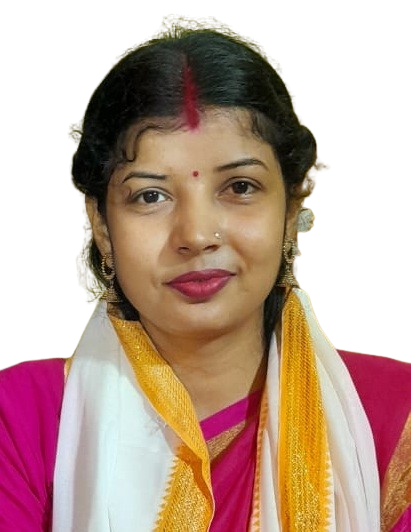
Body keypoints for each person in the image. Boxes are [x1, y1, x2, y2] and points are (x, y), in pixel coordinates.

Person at [1, 15, 410, 531]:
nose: (196, 235)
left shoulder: (394, 416)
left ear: (290, 210)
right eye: (151, 196)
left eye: (239, 187)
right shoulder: (27, 417)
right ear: (100, 224)